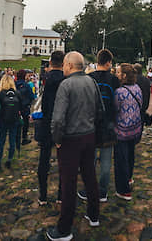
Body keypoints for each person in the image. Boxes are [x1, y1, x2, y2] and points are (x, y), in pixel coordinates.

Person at [46, 52, 100, 241]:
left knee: (68, 183)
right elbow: (100, 108)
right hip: (89, 135)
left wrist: (57, 138)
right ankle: (94, 215)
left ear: (68, 65)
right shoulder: (91, 82)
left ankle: (64, 229)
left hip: (70, 139)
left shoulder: (66, 84)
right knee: (90, 175)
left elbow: (58, 118)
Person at [85, 49, 118, 203]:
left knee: (89, 161)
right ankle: (103, 192)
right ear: (108, 62)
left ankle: (89, 190)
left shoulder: (89, 78)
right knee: (105, 162)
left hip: (90, 124)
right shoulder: (114, 80)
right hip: (109, 125)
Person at [38, 51, 65, 205]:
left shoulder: (46, 78)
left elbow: (44, 103)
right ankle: (61, 194)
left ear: (50, 62)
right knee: (63, 159)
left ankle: (43, 195)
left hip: (48, 121)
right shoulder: (65, 79)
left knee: (44, 159)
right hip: (62, 122)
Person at [112, 64, 142, 200]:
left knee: (121, 160)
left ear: (124, 75)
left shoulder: (119, 92)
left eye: (118, 72)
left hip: (122, 130)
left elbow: (115, 109)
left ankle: (123, 190)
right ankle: (129, 178)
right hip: (135, 129)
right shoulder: (137, 88)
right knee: (130, 156)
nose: (116, 74)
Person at [0, 75, 21, 170]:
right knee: (12, 140)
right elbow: (21, 106)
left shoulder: (0, 94)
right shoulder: (17, 93)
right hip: (14, 119)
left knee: (1, 141)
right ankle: (9, 160)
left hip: (3, 119)